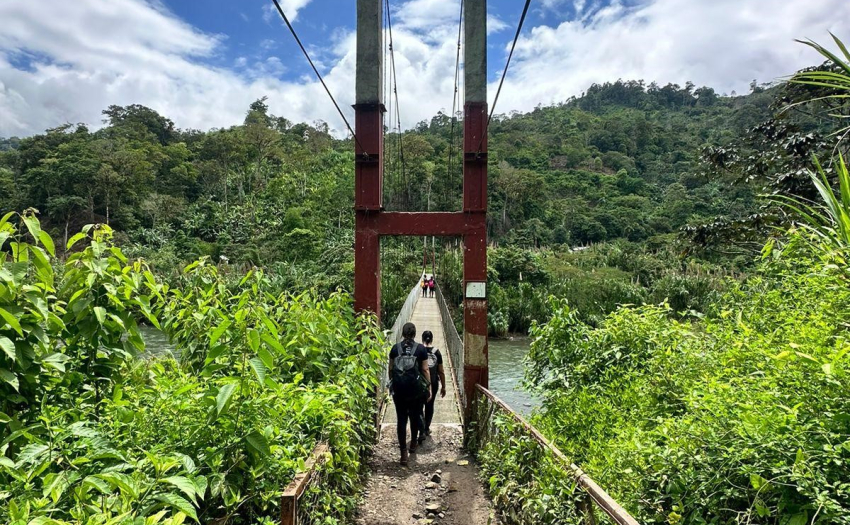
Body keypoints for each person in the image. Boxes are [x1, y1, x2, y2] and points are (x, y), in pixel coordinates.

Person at [389, 322, 431, 465]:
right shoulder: (420, 349)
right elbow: (425, 370)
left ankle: (403, 453)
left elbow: (390, 369)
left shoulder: (395, 349)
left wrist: (393, 384)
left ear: (402, 333)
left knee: (401, 419)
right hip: (415, 391)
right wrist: (429, 387)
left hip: (399, 390)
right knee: (414, 416)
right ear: (414, 334)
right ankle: (413, 443)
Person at [418, 330, 446, 442]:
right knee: (430, 406)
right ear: (432, 339)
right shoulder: (437, 352)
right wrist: (444, 386)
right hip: (433, 383)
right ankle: (426, 428)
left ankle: (421, 430)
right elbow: (441, 371)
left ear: (422, 339)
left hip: (420, 383)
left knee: (419, 407)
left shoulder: (419, 350)